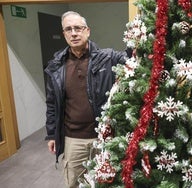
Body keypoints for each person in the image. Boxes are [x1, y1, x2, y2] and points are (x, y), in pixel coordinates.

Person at [44, 11, 131, 188]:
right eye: (68, 29)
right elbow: (52, 103)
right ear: (64, 34)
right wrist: (52, 134)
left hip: (103, 137)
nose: (74, 33)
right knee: (74, 183)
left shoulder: (107, 58)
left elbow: (132, 58)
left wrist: (137, 37)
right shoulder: (56, 66)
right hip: (73, 139)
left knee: (106, 182)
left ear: (87, 31)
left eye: (78, 28)